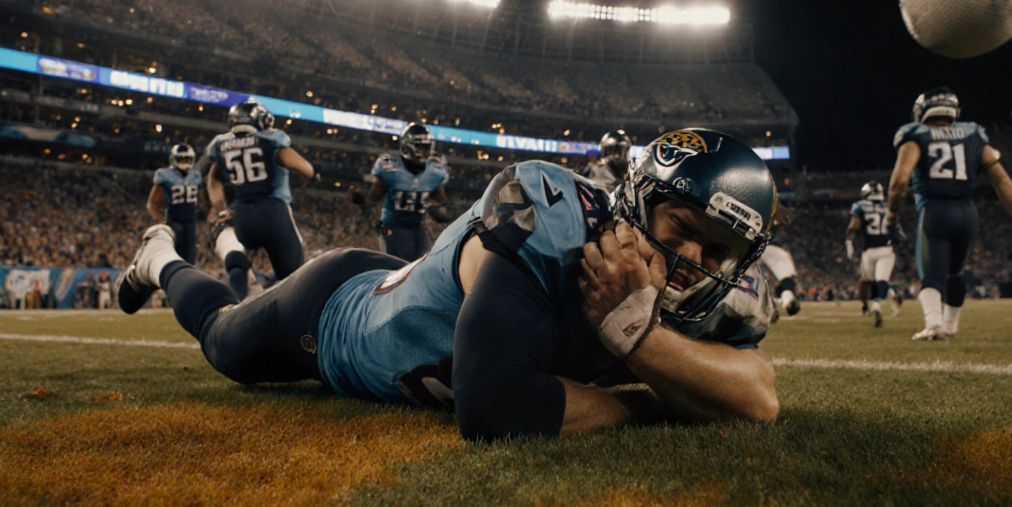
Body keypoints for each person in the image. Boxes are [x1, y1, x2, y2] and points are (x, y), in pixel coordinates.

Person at [116, 129, 780, 440]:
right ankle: (160, 259)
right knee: (224, 342)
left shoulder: (708, 290)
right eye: (682, 226)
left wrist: (634, 338)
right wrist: (662, 401)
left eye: (718, 250)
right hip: (333, 315)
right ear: (636, 202)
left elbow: (758, 399)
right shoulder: (539, 201)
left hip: (400, 281)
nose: (694, 259)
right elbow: (493, 408)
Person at [887, 87, 1012, 340]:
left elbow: (900, 182)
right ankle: (951, 325)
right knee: (956, 272)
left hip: (935, 212)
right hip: (967, 213)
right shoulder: (973, 133)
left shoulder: (915, 134)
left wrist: (891, 216)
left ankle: (934, 324)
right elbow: (1002, 181)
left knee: (930, 275)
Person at [204, 98, 317, 299]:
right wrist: (313, 175)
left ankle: (234, 308)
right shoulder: (272, 140)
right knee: (294, 275)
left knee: (238, 265)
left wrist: (221, 207)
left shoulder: (221, 144)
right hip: (274, 212)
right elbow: (305, 168)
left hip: (240, 214)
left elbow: (213, 180)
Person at [350, 122, 451, 261]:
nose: (424, 152)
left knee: (423, 267)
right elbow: (374, 197)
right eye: (420, 147)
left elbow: (440, 199)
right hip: (393, 226)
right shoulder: (391, 167)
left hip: (417, 227)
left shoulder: (434, 171)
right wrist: (363, 199)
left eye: (426, 147)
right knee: (396, 267)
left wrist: (438, 210)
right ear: (407, 146)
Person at [847, 181, 895, 327]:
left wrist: (849, 243)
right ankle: (877, 304)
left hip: (868, 251)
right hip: (886, 248)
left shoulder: (859, 206)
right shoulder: (888, 206)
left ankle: (868, 305)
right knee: (882, 279)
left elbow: (854, 226)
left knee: (867, 280)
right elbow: (895, 226)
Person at [147, 143, 203, 264]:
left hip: (190, 223)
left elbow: (204, 201)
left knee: (189, 261)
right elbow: (152, 203)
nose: (184, 161)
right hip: (173, 222)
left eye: (187, 159)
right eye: (181, 158)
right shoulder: (165, 175)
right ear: (174, 159)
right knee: (173, 258)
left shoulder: (196, 175)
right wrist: (160, 219)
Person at [758, 206, 800, 316]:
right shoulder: (773, 205)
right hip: (771, 247)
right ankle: (788, 301)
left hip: (750, 248)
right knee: (788, 278)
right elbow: (784, 218)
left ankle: (766, 307)